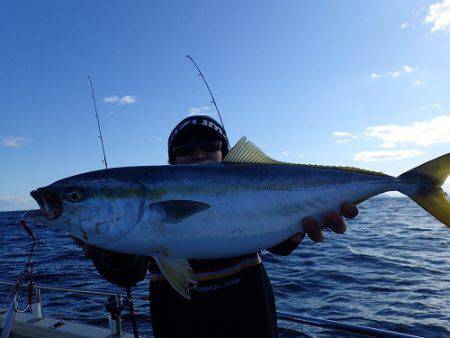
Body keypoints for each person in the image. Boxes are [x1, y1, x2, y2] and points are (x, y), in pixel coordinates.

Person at [77, 115, 358, 338]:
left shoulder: (248, 189)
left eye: (210, 146)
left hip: (251, 318)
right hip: (178, 323)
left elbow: (274, 239)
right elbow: (128, 275)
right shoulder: (143, 207)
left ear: (225, 153)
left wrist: (295, 232)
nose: (198, 153)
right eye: (185, 149)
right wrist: (109, 251)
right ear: (171, 161)